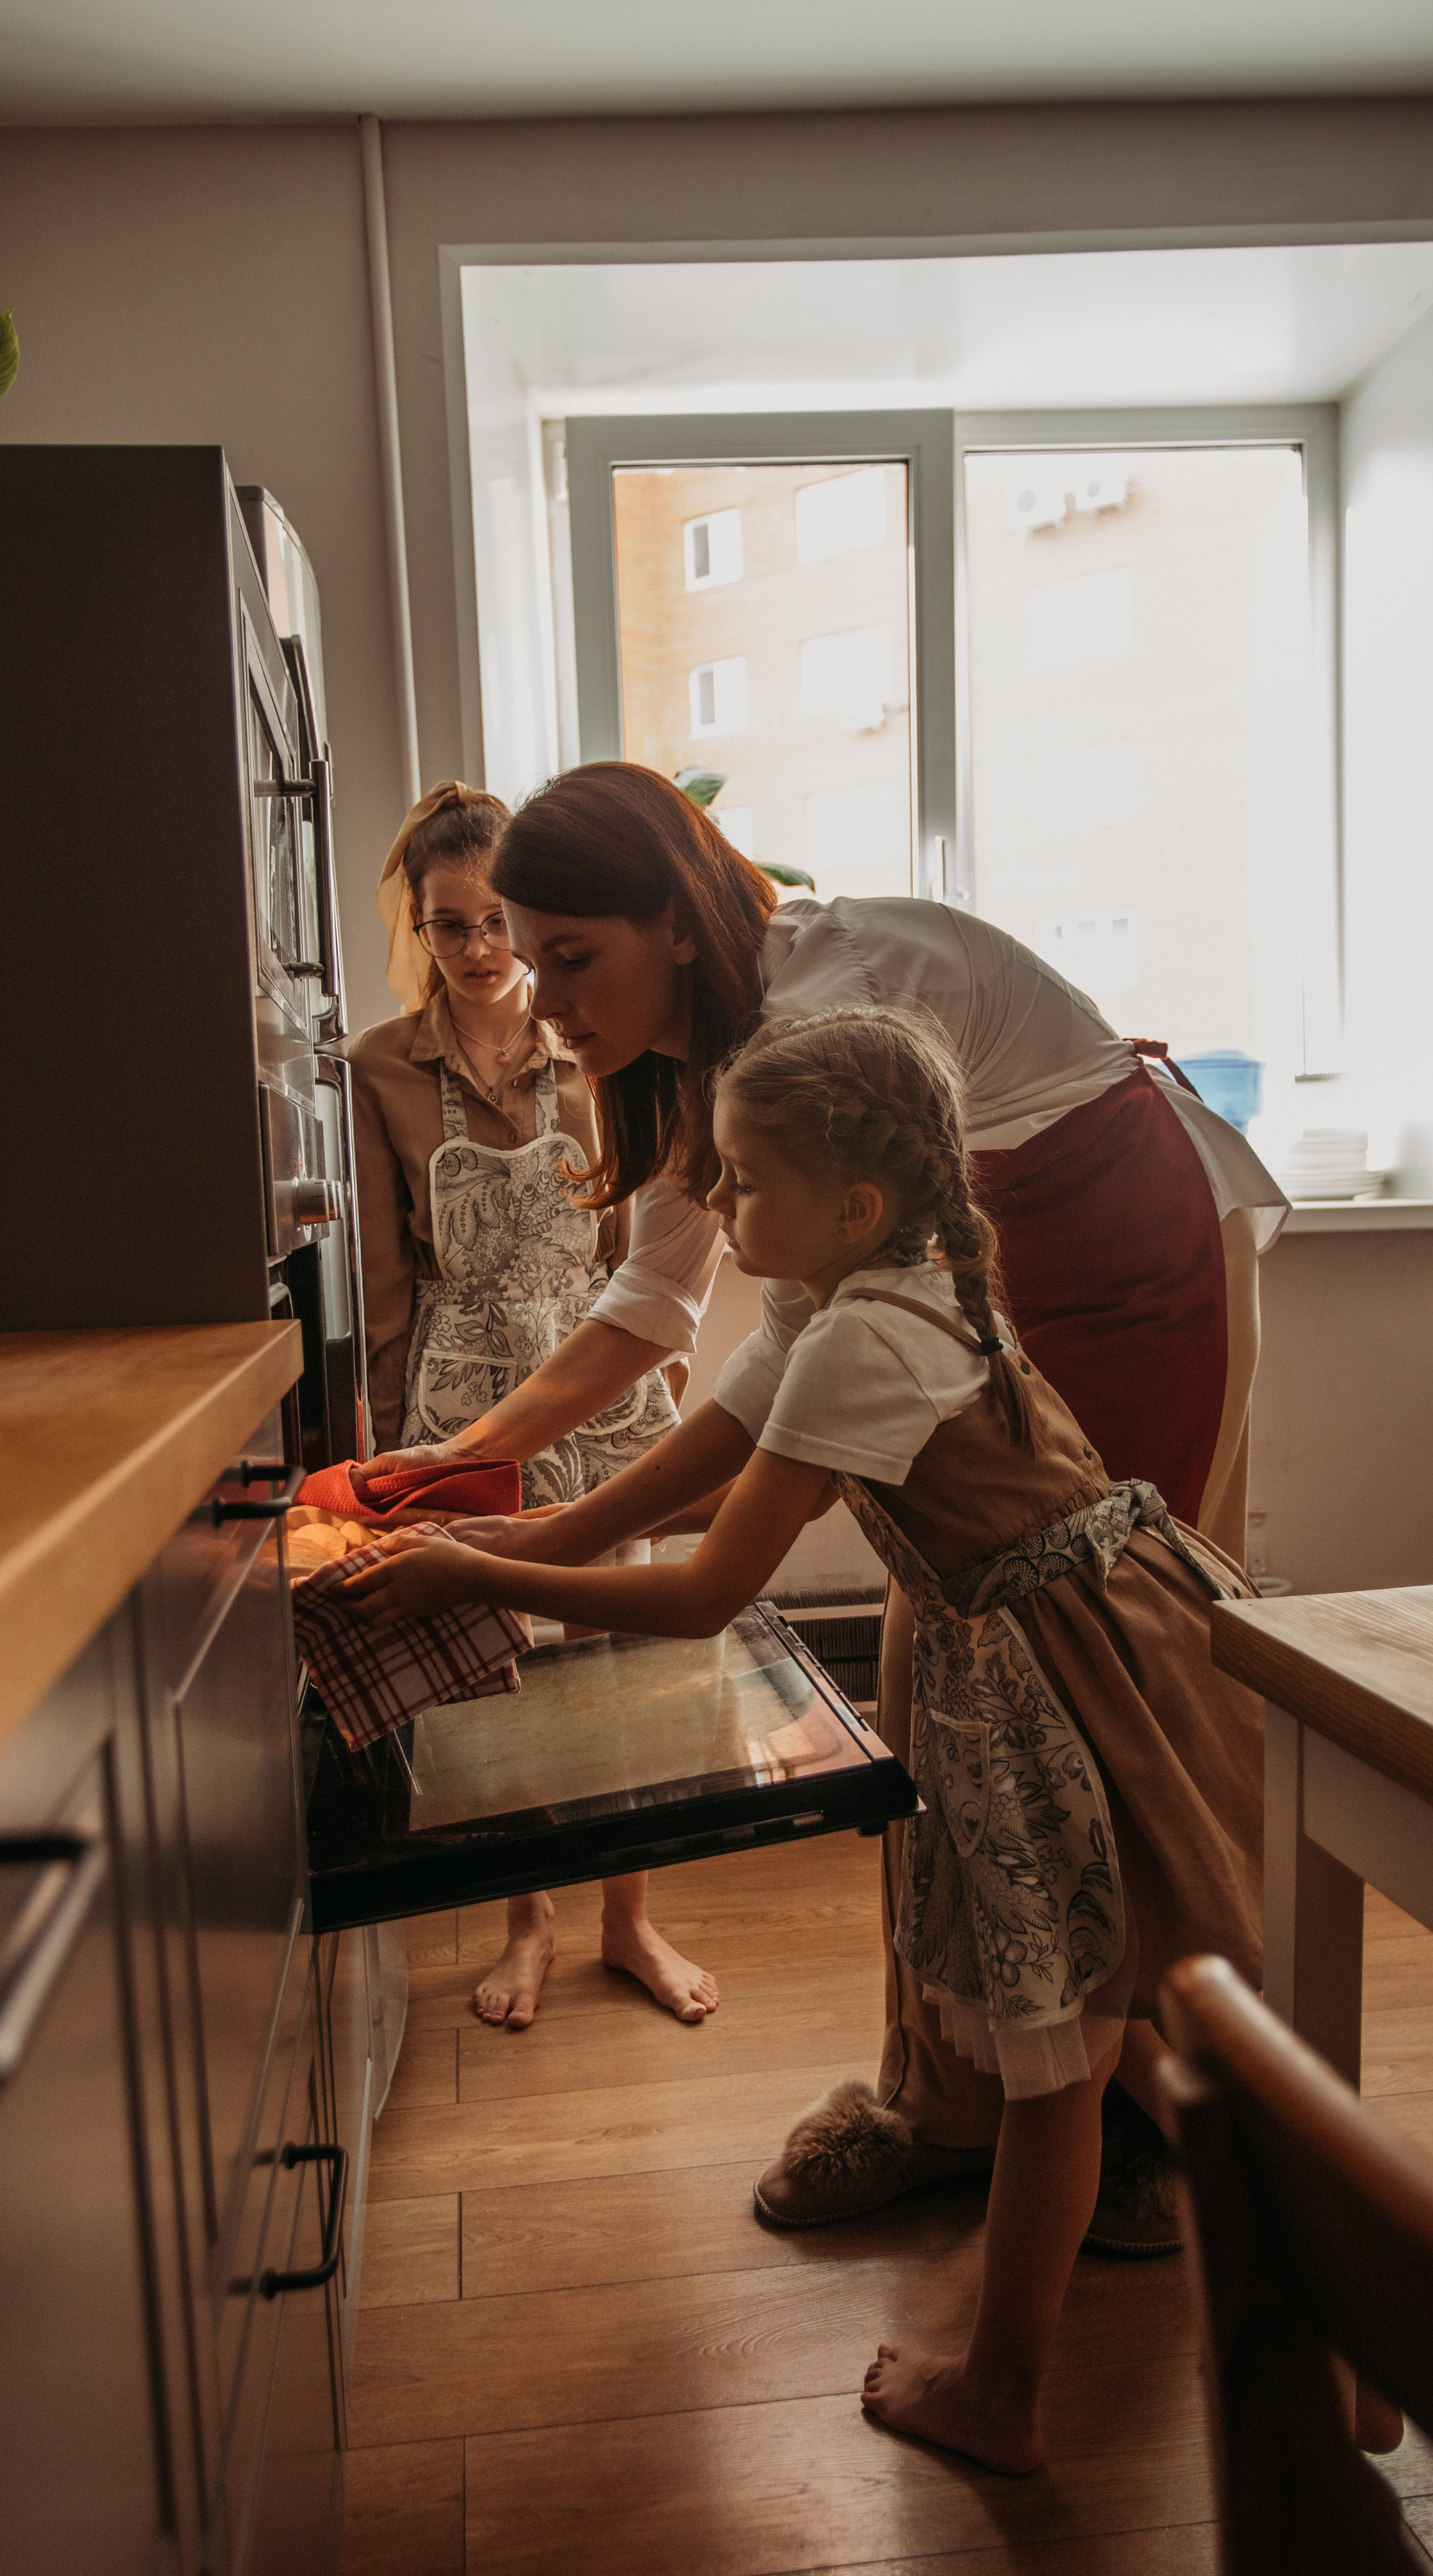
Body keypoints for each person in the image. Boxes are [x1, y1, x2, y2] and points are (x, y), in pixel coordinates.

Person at [355, 761, 1285, 2233]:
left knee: (1095, 1687)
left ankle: (1133, 2116)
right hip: (980, 1260)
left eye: (566, 957)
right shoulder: (701, 1060)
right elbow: (662, 1307)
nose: (536, 999)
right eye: (523, 960)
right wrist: (498, 1491)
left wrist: (526, 1545)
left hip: (1115, 1247)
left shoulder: (819, 1022)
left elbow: (779, 1365)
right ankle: (956, 2101)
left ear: (671, 920)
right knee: (951, 1684)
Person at [340, 1007, 1264, 2474]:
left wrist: (467, 1573)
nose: (715, 1205)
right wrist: (475, 1512)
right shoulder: (847, 1302)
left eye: (744, 1180)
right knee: (1097, 2031)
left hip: (1054, 1683)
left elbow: (708, 1590)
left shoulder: (862, 1342)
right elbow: (659, 1488)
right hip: (1052, 1645)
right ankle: (1279, 2317)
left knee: (1054, 2057)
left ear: (853, 1206)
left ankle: (1007, 2390)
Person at [343, 781, 706, 2030]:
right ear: (420, 929)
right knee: (497, 1668)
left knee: (625, 1658)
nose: (486, 952)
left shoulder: (601, 1034)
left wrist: (660, 1385)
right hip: (460, 1389)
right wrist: (395, 1447)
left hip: (596, 1375)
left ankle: (631, 1923)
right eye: (452, 926)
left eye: (500, 920)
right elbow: (388, 1286)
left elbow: (647, 1249)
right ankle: (529, 1921)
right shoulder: (378, 1071)